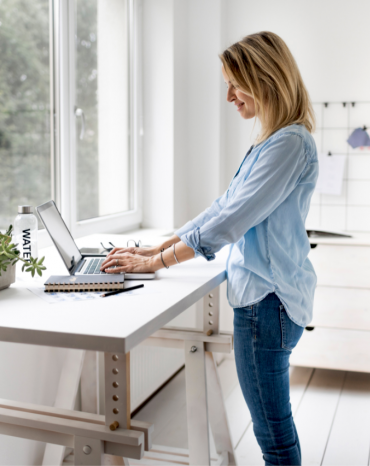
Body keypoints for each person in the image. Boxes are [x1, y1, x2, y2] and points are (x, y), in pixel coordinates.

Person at [101, 31, 317, 466]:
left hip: (267, 303)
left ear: (265, 79)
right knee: (272, 426)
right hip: (266, 301)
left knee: (273, 435)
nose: (229, 96)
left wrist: (159, 261)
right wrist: (159, 249)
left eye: (235, 84)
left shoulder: (289, 143)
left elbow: (232, 221)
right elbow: (223, 206)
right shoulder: (271, 142)